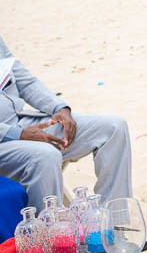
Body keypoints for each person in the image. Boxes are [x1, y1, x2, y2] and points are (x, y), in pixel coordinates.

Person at [0, 33, 132, 210]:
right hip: (6, 139)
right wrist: (19, 134)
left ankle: (115, 220)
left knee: (113, 127)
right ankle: (50, 227)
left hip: (22, 121)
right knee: (45, 155)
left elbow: (24, 80)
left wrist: (59, 108)